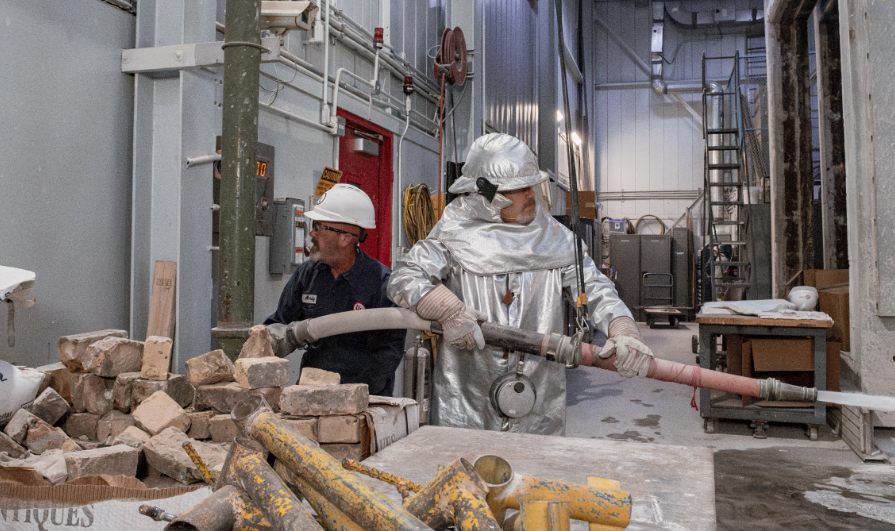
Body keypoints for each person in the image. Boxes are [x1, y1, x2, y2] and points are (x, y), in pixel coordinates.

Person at [387, 133, 653, 435]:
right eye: (519, 188)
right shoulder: (452, 234)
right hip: (465, 405)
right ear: (487, 194)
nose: (530, 196)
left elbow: (594, 287)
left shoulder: (555, 239)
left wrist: (622, 328)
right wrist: (446, 309)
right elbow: (404, 278)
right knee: (463, 477)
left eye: (532, 185)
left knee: (534, 478)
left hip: (538, 404)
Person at [265, 184, 405, 396]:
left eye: (319, 226)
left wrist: (351, 396)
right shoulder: (308, 274)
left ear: (345, 238)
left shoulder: (382, 282)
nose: (312, 233)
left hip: (365, 401)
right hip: (311, 393)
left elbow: (388, 354)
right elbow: (279, 323)